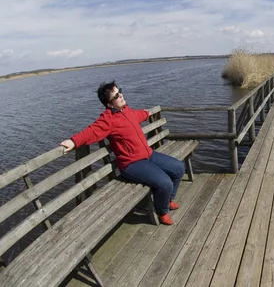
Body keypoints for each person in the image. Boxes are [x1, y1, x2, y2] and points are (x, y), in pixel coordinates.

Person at [60, 81, 184, 226]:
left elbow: (138, 115)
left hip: (148, 155)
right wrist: (74, 142)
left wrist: (146, 113)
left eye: (120, 92)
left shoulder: (127, 111)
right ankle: (162, 211)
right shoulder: (108, 119)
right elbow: (92, 131)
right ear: (109, 104)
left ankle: (167, 199)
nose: (121, 95)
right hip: (132, 164)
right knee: (165, 183)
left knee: (178, 168)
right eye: (117, 95)